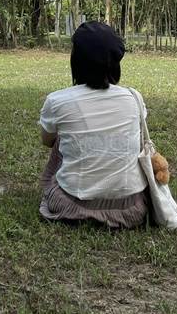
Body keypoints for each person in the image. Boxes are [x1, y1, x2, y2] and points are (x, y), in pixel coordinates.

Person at [39, 21, 149, 228]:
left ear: (76, 60)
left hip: (71, 205)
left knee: (61, 138)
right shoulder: (134, 98)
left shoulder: (57, 100)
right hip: (130, 209)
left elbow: (47, 141)